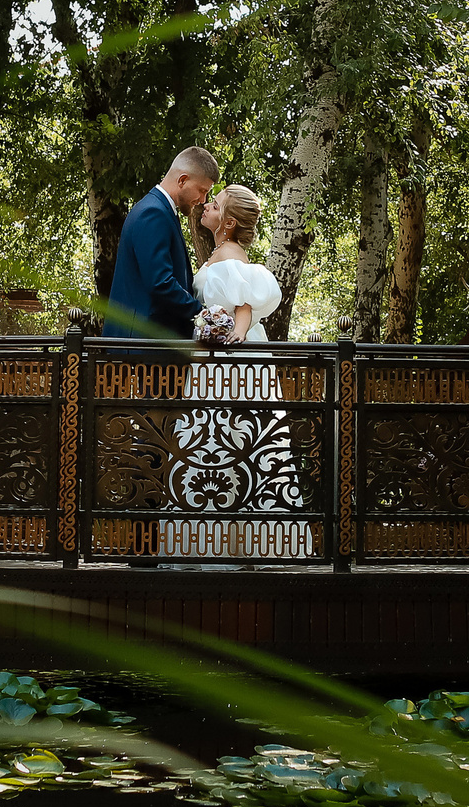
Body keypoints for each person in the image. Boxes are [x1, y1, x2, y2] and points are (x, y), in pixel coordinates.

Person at [161, 184, 314, 564]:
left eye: (214, 205)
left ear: (227, 223)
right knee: (223, 444)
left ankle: (218, 544)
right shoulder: (219, 253)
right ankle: (235, 540)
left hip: (229, 359)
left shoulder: (230, 256)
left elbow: (243, 304)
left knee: (224, 439)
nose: (207, 207)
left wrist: (238, 333)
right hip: (216, 357)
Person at [104, 148, 216, 339]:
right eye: (202, 190)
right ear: (182, 180)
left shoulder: (159, 209)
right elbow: (160, 283)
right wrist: (203, 313)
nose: (203, 200)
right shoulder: (153, 213)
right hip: (142, 347)